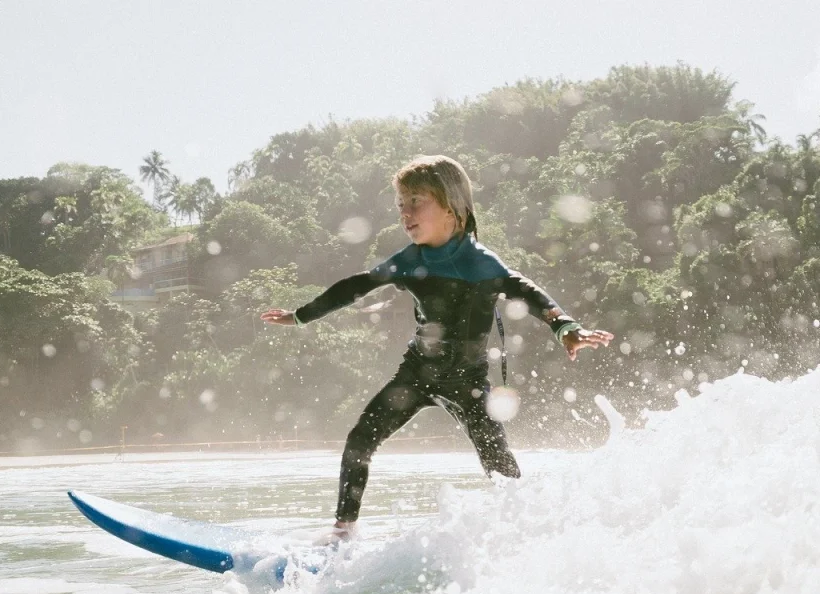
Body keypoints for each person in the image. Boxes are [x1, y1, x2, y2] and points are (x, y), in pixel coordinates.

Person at [261, 155, 613, 541]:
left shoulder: (481, 263)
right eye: (401, 204)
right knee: (360, 440)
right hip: (416, 373)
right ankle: (342, 532)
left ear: (451, 206)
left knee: (498, 464)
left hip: (468, 380)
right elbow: (357, 286)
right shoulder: (410, 261)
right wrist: (300, 316)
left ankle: (529, 534)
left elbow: (526, 292)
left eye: (416, 202)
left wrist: (565, 326)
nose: (405, 213)